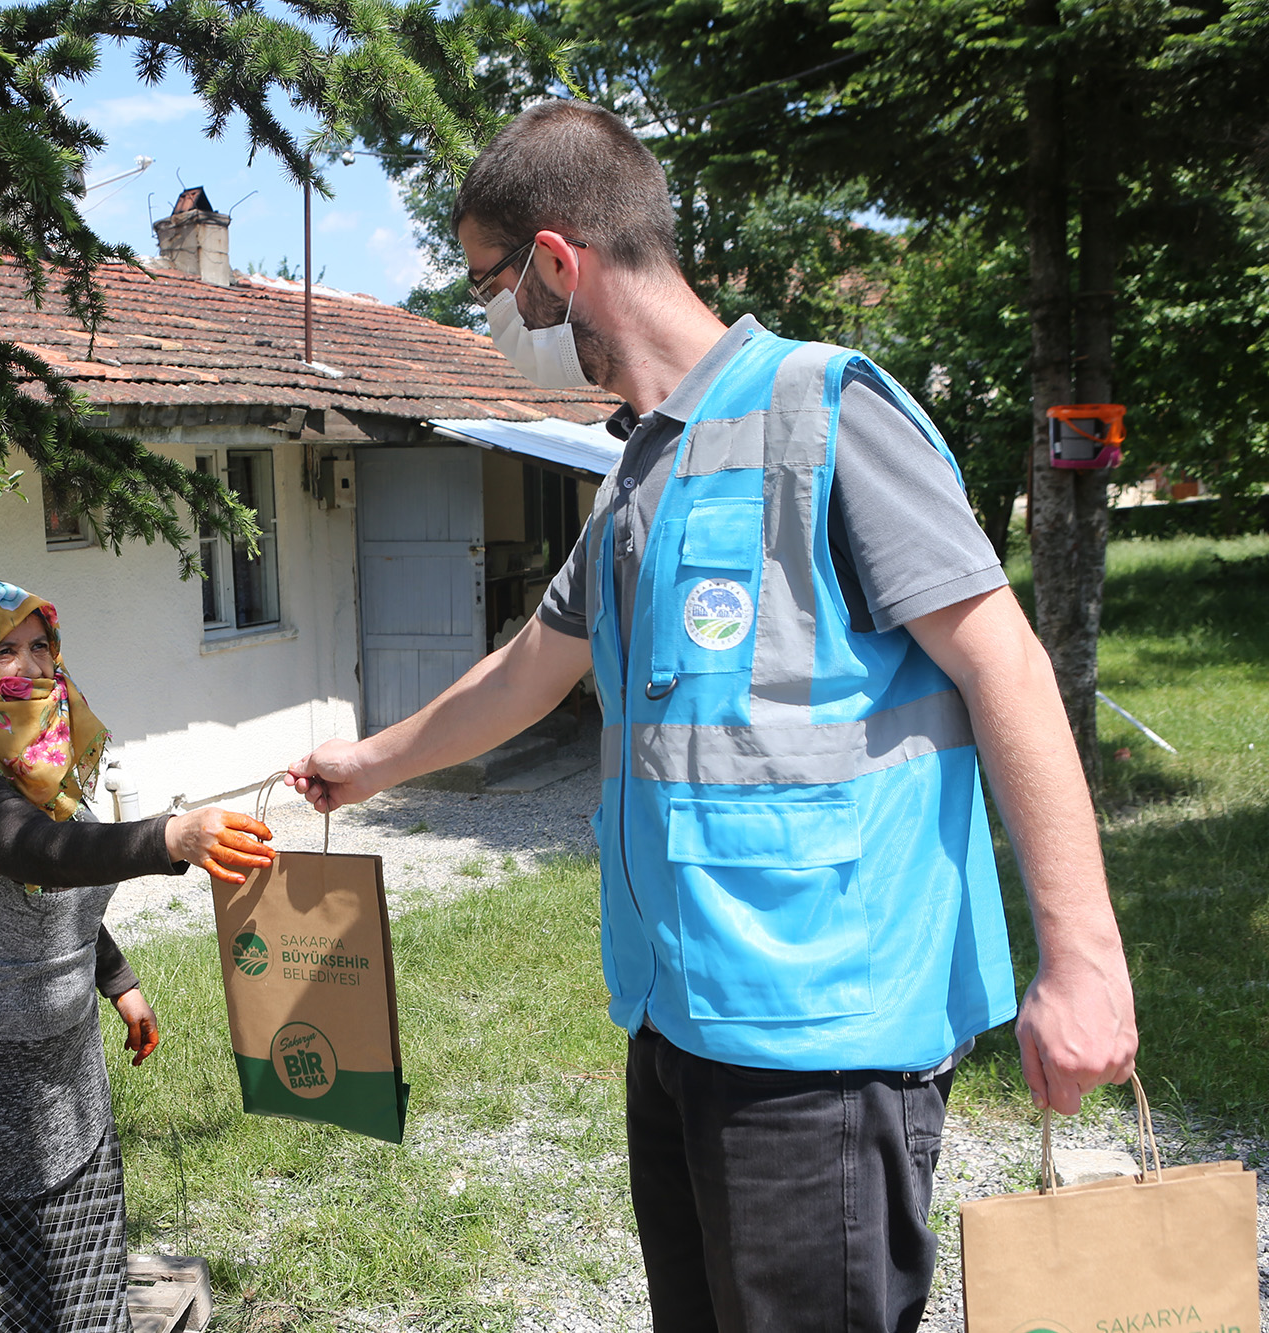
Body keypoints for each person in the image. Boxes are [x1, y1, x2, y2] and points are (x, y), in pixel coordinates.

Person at [287, 101, 1138, 1332]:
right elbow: (533, 666)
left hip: (822, 1046)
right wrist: (364, 765)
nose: (488, 318)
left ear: (556, 261)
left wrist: (1084, 962)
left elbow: (1003, 667)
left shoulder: (827, 411)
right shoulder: (636, 467)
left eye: (489, 283)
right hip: (679, 1023)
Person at [0, 577, 275, 1333]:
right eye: (5, 649)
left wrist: (119, 982)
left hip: (60, 1068)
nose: (32, 667)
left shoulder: (46, 776)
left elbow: (54, 895)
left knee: (77, 1277)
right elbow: (43, 853)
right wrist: (168, 837)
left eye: (42, 647)